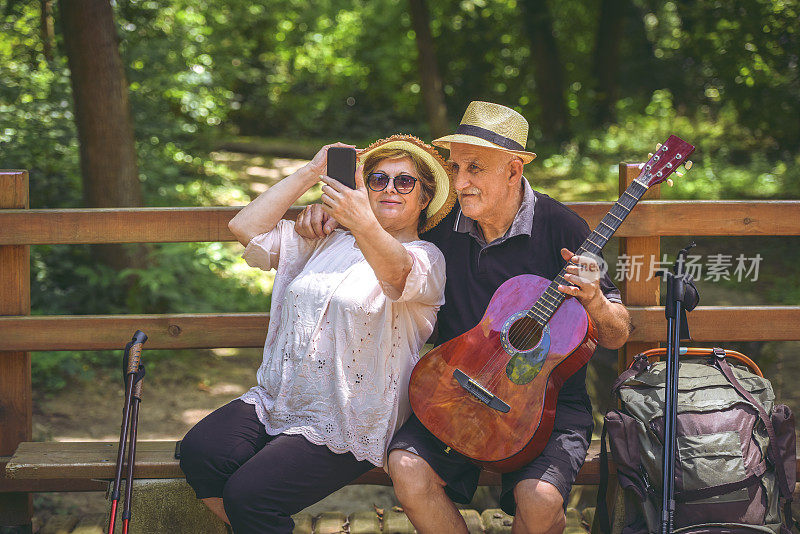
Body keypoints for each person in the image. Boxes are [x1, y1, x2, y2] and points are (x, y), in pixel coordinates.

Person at [295, 102, 631, 534]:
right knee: (407, 468)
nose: (460, 182)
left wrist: (594, 302)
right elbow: (388, 225)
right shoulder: (443, 221)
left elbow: (617, 334)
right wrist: (332, 217)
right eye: (455, 167)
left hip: (543, 401)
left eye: (475, 169)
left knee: (541, 501)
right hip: (456, 387)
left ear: (513, 171)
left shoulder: (560, 226)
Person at [179, 135, 456, 534]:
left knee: (251, 496)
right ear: (363, 188)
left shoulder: (426, 258)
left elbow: (396, 273)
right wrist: (311, 172)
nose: (389, 189)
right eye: (377, 179)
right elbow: (245, 227)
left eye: (404, 182)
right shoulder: (327, 238)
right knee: (202, 453)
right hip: (282, 395)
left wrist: (359, 221)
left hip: (351, 415)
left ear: (424, 197)